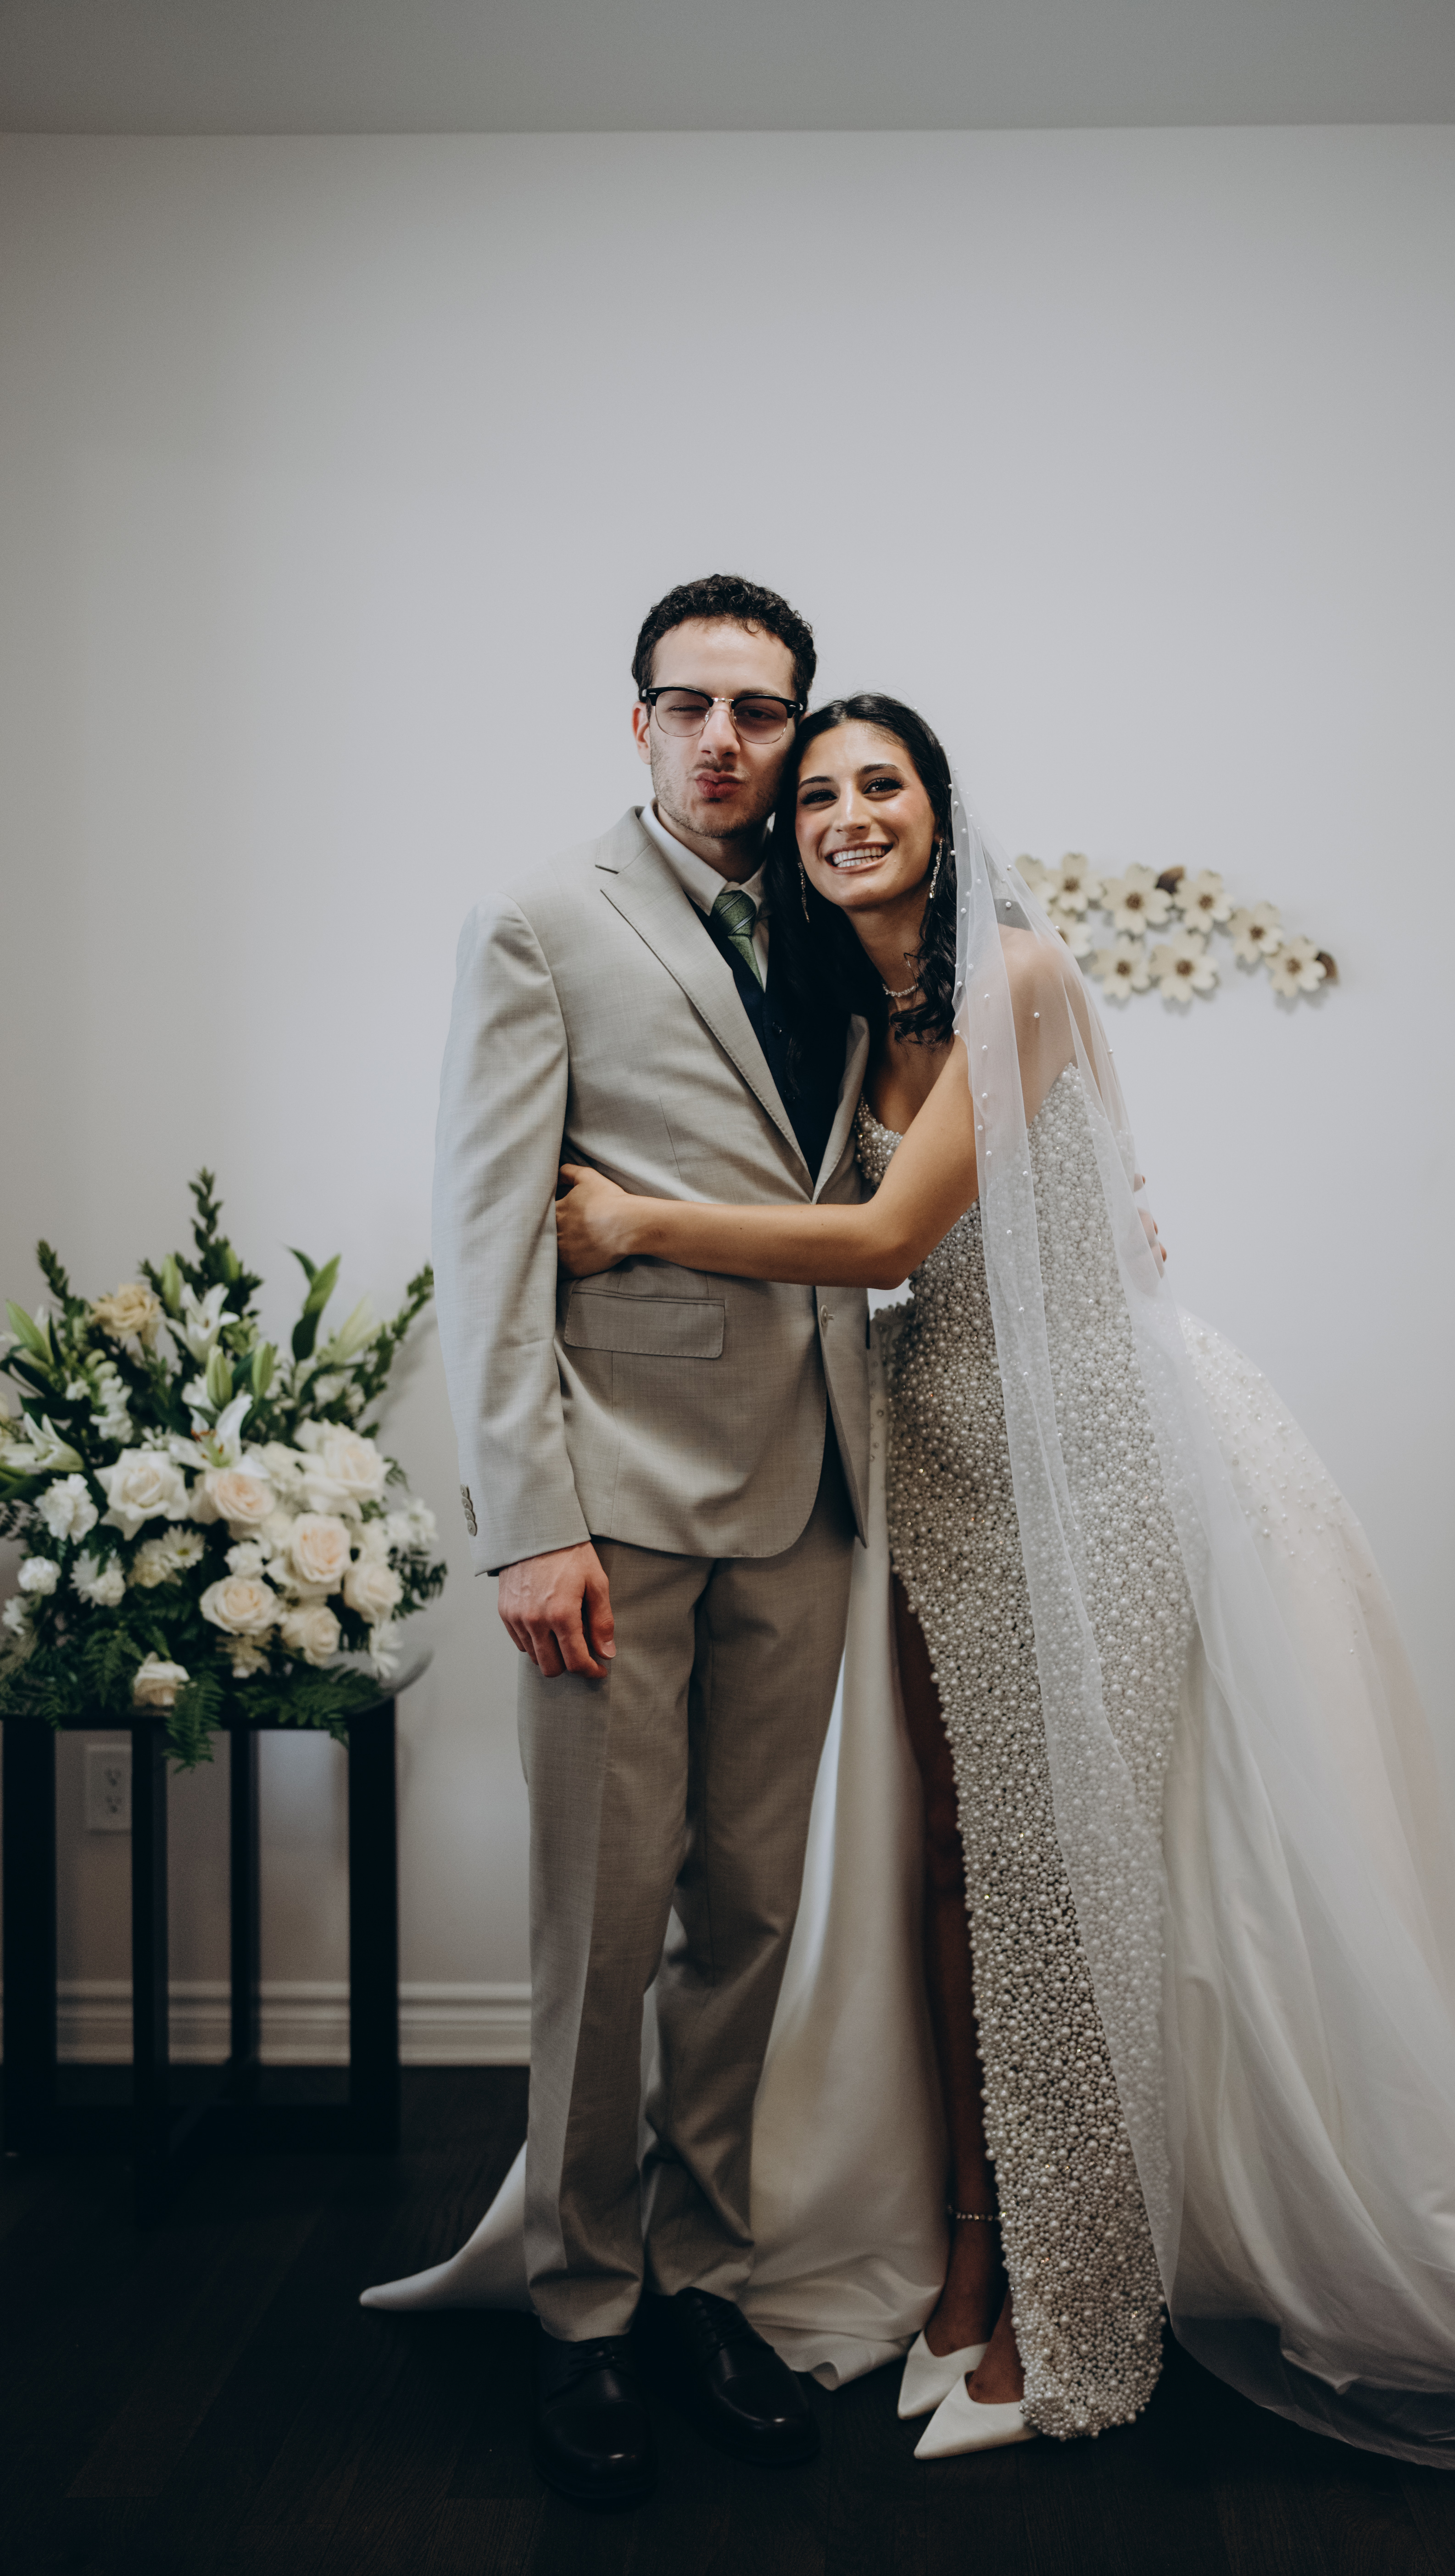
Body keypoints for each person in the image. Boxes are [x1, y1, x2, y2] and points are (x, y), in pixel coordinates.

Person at [553, 691, 1455, 2473]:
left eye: (883, 785)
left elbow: (885, 1236)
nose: (850, 812)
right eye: (822, 795)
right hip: (934, 1463)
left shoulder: (1019, 975)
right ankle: (965, 2262)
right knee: (952, 1870)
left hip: (1083, 1457)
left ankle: (1073, 2304)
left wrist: (633, 1222)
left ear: (940, 812)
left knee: (1063, 1883)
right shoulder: (843, 1023)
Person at [429, 575, 877, 2507]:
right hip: (609, 1508)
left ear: (797, 728)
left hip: (814, 1493)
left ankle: (706, 2284)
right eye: (688, 705)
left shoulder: (851, 914)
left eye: (758, 711)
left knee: (749, 1922)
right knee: (598, 1935)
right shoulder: (544, 920)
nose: (723, 740)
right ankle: (582, 2310)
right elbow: (486, 1240)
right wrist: (528, 1525)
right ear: (638, 721)